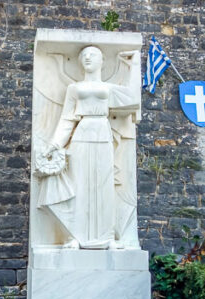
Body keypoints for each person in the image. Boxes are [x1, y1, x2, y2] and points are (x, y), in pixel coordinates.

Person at [38, 45, 140, 249]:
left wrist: (134, 64)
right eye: (84, 55)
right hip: (81, 136)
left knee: (104, 188)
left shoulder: (109, 88)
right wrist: (54, 145)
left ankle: (108, 237)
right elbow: (67, 119)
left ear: (102, 61)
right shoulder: (74, 89)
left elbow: (133, 98)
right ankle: (75, 237)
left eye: (93, 54)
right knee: (80, 187)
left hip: (102, 134)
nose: (87, 57)